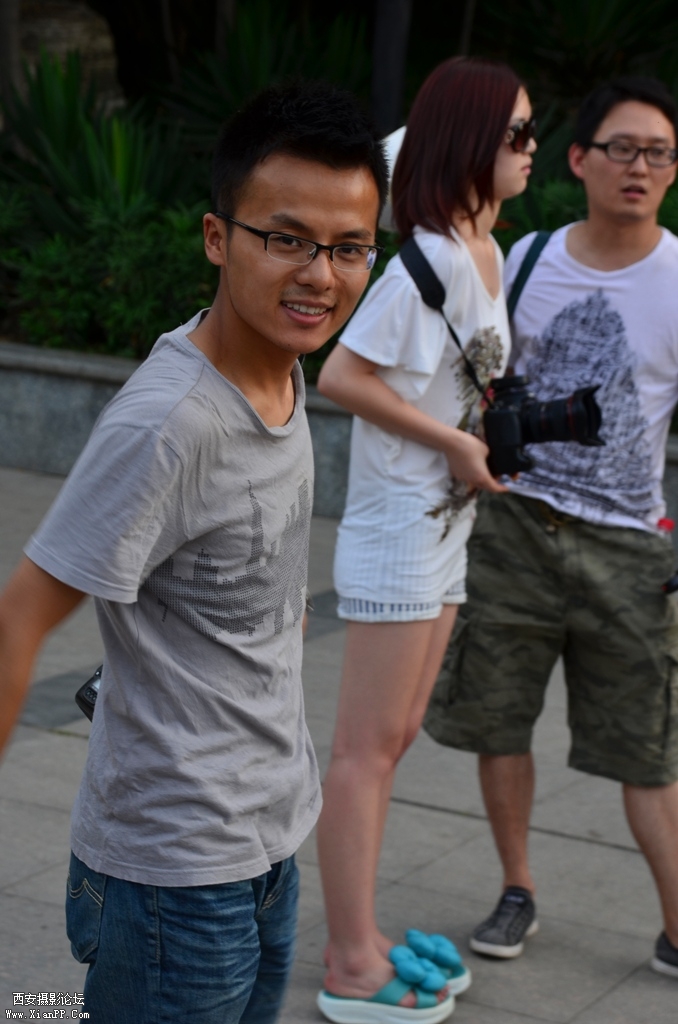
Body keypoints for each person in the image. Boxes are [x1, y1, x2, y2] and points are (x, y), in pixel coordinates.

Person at [0, 80, 388, 1023]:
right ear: (218, 237)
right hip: (172, 879)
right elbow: (21, 617)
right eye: (286, 239)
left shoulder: (283, 372)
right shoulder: (169, 424)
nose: (320, 275)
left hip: (266, 841)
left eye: (348, 248)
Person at [425, 76, 678, 981]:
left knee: (648, 752)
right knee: (500, 723)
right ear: (578, 159)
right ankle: (517, 887)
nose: (639, 167)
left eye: (659, 153)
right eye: (622, 148)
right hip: (516, 528)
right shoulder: (525, 260)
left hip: (629, 548)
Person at [315, 57, 537, 1024]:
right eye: (515, 132)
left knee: (396, 737)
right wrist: (451, 441)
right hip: (400, 527)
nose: (532, 148)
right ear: (471, 139)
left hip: (447, 527)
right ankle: (349, 961)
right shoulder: (438, 256)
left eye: (532, 129)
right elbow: (340, 377)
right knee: (364, 750)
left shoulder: (485, 247)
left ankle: (361, 934)